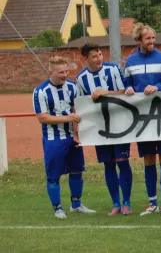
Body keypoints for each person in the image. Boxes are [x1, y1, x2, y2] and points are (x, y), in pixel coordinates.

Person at [33, 56, 96, 219]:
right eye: (61, 72)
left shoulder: (73, 87)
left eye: (67, 71)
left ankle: (76, 204)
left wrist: (76, 134)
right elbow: (43, 117)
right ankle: (57, 208)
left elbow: (77, 111)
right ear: (51, 72)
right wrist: (67, 118)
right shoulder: (41, 91)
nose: (65, 75)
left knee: (76, 172)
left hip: (72, 138)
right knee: (54, 176)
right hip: (54, 140)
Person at [76, 43, 133, 216]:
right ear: (85, 59)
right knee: (108, 164)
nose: (99, 58)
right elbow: (81, 105)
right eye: (94, 56)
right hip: (99, 129)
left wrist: (104, 92)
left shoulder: (113, 69)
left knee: (122, 162)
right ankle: (115, 203)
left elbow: (126, 92)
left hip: (120, 124)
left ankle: (127, 203)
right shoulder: (81, 78)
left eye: (100, 54)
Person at [123, 23, 161, 216]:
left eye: (153, 38)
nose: (152, 42)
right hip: (142, 120)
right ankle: (152, 202)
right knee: (149, 159)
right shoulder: (130, 61)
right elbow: (126, 86)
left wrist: (158, 86)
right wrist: (128, 90)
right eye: (148, 39)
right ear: (138, 41)